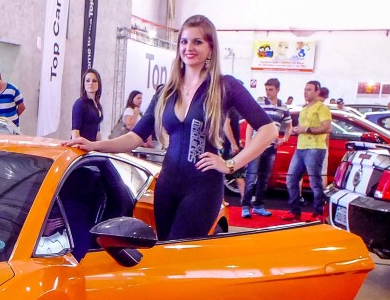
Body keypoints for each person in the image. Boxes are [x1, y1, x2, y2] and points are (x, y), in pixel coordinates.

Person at [66, 14, 277, 241]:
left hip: (203, 187)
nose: (189, 47)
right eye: (184, 41)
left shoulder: (225, 87)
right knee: (165, 250)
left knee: (178, 249)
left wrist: (230, 164)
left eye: (197, 42)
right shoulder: (167, 91)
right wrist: (94, 145)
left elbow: (269, 130)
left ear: (211, 48)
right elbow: (135, 137)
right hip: (167, 184)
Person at [240, 78, 292, 219]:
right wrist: (249, 143)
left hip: (271, 147)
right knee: (251, 177)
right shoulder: (260, 103)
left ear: (277, 90)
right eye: (266, 89)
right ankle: (245, 206)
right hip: (257, 145)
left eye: (271, 89)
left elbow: (288, 125)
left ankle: (258, 205)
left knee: (264, 178)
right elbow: (250, 123)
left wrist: (285, 139)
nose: (268, 92)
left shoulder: (283, 107)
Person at [284, 80, 332, 221]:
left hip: (315, 148)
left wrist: (306, 129)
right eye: (305, 89)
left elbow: (327, 128)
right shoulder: (304, 109)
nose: (306, 92)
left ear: (318, 91)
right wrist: (297, 130)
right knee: (291, 179)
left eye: (309, 89)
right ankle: (295, 211)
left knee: (315, 182)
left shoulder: (322, 108)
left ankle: (318, 213)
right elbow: (304, 128)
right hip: (301, 148)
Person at [71, 69, 104, 142]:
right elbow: (75, 132)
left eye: (94, 81)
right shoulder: (80, 103)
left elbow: (97, 130)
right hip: (81, 148)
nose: (91, 83)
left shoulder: (97, 104)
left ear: (99, 84)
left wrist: (102, 147)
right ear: (84, 83)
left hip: (92, 147)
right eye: (88, 81)